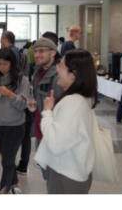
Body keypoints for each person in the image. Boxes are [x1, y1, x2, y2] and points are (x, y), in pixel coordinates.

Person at [34, 49, 99, 194]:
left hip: (66, 175)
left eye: (61, 65)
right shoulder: (81, 98)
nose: (57, 69)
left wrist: (47, 112)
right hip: (73, 170)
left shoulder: (72, 102)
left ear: (73, 74)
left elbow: (56, 144)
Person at [0, 48, 32, 194]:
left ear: (12, 63)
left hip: (15, 125)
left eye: (5, 64)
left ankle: (3, 190)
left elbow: (23, 104)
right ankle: (14, 183)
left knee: (7, 161)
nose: (2, 67)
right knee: (7, 157)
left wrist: (10, 94)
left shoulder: (22, 80)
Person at [28, 37, 63, 181]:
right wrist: (33, 102)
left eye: (42, 51)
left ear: (53, 52)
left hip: (52, 135)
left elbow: (61, 109)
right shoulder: (37, 72)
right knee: (46, 176)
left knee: (53, 178)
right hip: (40, 131)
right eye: (36, 51)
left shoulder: (58, 76)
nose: (37, 54)